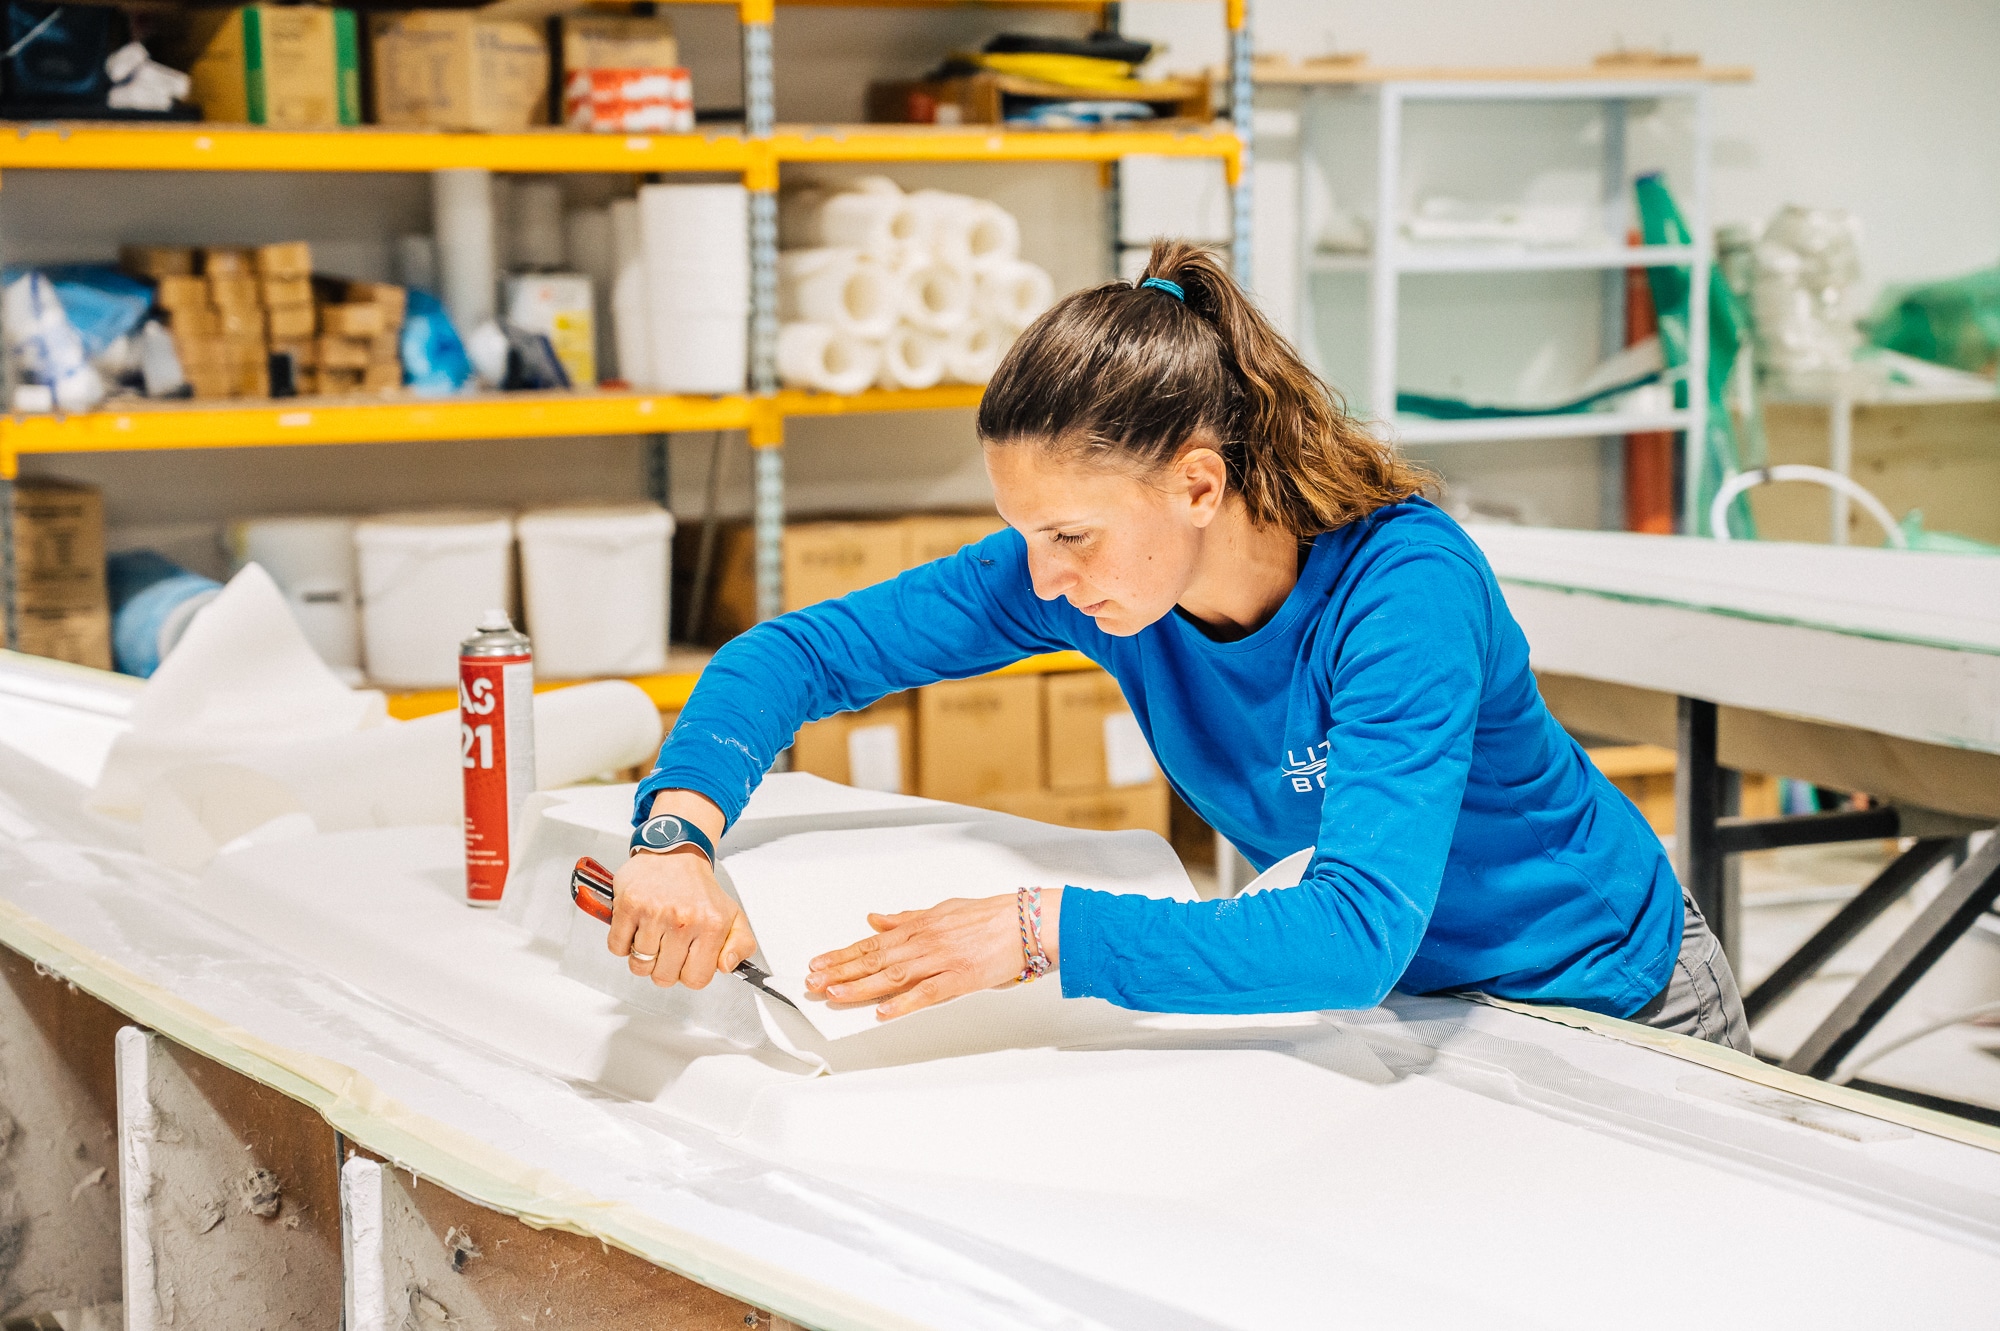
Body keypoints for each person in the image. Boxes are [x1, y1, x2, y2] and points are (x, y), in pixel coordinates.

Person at [606, 239, 1753, 1052]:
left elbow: (1352, 929)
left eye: (1068, 534)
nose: (1042, 576)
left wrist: (1038, 932)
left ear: (1197, 482)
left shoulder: (1403, 588)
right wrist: (675, 831)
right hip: (1417, 1016)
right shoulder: (1093, 581)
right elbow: (790, 656)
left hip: (1606, 999)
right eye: (1024, 534)